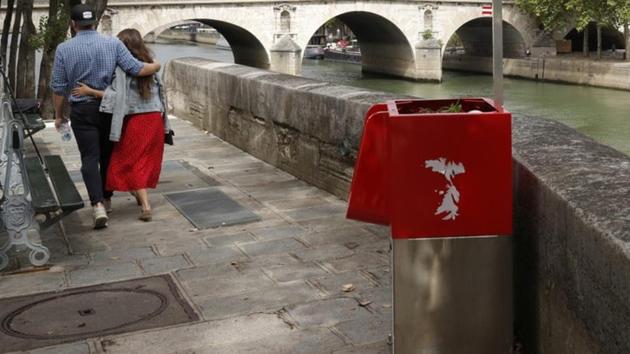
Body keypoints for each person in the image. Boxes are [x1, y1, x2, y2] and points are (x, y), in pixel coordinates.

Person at [51, 4, 161, 229]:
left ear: (73, 24)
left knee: (89, 158)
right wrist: (156, 66)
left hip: (82, 110)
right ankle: (108, 198)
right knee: (108, 156)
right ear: (96, 22)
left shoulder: (64, 49)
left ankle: (98, 205)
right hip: (109, 109)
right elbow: (137, 69)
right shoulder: (112, 43)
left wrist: (59, 115)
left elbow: (58, 88)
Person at [72, 28, 169, 222]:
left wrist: (90, 91)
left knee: (129, 161)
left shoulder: (122, 69)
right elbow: (162, 92)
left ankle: (145, 205)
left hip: (136, 121)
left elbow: (117, 97)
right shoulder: (150, 63)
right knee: (144, 160)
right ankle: (137, 194)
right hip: (155, 120)